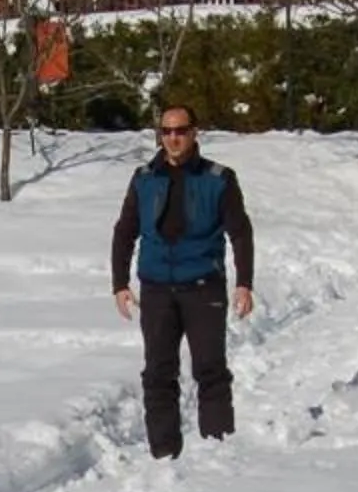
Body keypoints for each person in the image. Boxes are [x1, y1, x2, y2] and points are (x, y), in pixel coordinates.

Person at [110, 104, 256, 457]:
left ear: (194, 133)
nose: (173, 138)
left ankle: (217, 452)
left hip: (203, 287)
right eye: (167, 131)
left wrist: (244, 282)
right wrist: (120, 282)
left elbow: (240, 232)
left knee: (210, 369)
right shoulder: (144, 178)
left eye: (181, 131)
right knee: (158, 374)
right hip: (157, 289)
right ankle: (164, 454)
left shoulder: (219, 178)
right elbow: (125, 231)